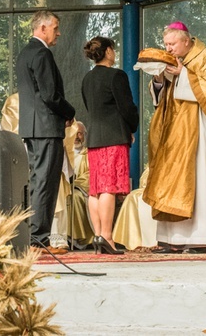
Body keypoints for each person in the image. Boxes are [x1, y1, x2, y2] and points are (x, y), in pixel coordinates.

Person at [143, 22, 206, 254]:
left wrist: (183, 74)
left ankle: (198, 240)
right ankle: (170, 240)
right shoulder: (169, 61)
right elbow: (160, 97)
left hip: (199, 131)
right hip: (172, 135)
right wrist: (158, 80)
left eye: (172, 44)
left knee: (199, 182)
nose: (168, 49)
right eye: (166, 44)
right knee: (168, 180)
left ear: (186, 41)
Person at [16, 10, 75, 255]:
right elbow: (50, 95)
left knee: (37, 182)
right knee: (45, 183)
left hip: (32, 127)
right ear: (42, 28)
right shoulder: (42, 53)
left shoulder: (24, 53)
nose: (58, 33)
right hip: (47, 127)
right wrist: (70, 111)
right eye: (55, 27)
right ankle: (38, 239)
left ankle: (33, 236)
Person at [81, 36, 139, 255]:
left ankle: (98, 235)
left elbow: (89, 107)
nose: (114, 53)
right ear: (107, 52)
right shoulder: (117, 75)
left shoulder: (87, 78)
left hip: (94, 137)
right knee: (109, 187)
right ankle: (107, 236)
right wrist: (131, 127)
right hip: (113, 136)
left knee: (95, 189)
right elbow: (127, 107)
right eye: (113, 49)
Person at [50, 121, 95, 250]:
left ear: (85, 135)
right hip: (65, 187)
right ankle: (61, 237)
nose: (77, 137)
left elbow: (91, 174)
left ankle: (77, 237)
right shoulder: (64, 152)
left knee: (73, 197)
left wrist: (76, 185)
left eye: (80, 134)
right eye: (74, 134)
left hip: (80, 190)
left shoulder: (89, 154)